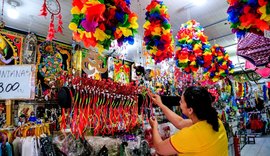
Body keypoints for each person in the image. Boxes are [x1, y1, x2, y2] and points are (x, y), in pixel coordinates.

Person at [148, 86, 228, 156]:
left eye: (181, 101)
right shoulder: (215, 121)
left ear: (190, 110)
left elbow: (159, 148)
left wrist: (154, 127)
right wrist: (161, 105)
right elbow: (180, 122)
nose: (179, 102)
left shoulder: (192, 135)